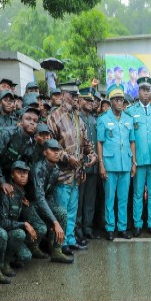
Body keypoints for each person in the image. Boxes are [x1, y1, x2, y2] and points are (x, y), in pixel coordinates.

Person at [48, 82, 97, 254]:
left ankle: (70, 239)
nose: (76, 98)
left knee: (72, 211)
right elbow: (50, 147)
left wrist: (92, 155)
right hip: (62, 174)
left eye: (77, 95)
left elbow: (86, 142)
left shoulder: (78, 118)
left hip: (76, 175)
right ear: (62, 96)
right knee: (62, 211)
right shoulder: (54, 117)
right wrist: (68, 158)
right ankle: (60, 245)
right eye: (72, 95)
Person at [97, 84, 136, 240]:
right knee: (110, 198)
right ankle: (110, 227)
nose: (121, 103)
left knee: (123, 198)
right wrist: (101, 164)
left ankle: (122, 227)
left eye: (122, 100)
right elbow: (99, 142)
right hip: (110, 164)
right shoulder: (103, 119)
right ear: (111, 101)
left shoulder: (128, 119)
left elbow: (132, 141)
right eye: (117, 100)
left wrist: (134, 162)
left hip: (125, 163)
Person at [126, 76, 151, 237]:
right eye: (143, 90)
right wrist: (132, 160)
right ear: (138, 91)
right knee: (138, 193)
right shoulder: (130, 112)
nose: (146, 93)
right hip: (138, 160)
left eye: (148, 90)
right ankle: (138, 224)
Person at [30, 139, 73, 264]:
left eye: (58, 150)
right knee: (43, 227)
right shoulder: (39, 168)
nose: (56, 153)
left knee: (62, 213)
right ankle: (33, 248)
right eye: (53, 150)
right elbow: (39, 197)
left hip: (42, 203)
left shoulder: (55, 169)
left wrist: (55, 217)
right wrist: (54, 222)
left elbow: (48, 195)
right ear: (44, 152)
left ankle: (56, 251)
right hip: (30, 204)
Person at [0, 161, 38, 274]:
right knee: (20, 233)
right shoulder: (7, 192)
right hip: (4, 234)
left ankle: (12, 257)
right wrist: (24, 224)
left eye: (25, 172)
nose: (22, 175)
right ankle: (4, 263)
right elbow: (3, 222)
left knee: (26, 257)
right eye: (19, 172)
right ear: (12, 175)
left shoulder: (21, 193)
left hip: (13, 231)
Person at [77, 88, 100, 241]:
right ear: (79, 101)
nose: (90, 103)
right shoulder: (76, 118)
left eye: (92, 101)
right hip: (81, 166)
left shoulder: (93, 120)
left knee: (90, 200)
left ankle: (87, 228)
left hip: (93, 167)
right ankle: (78, 230)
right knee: (79, 200)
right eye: (87, 100)